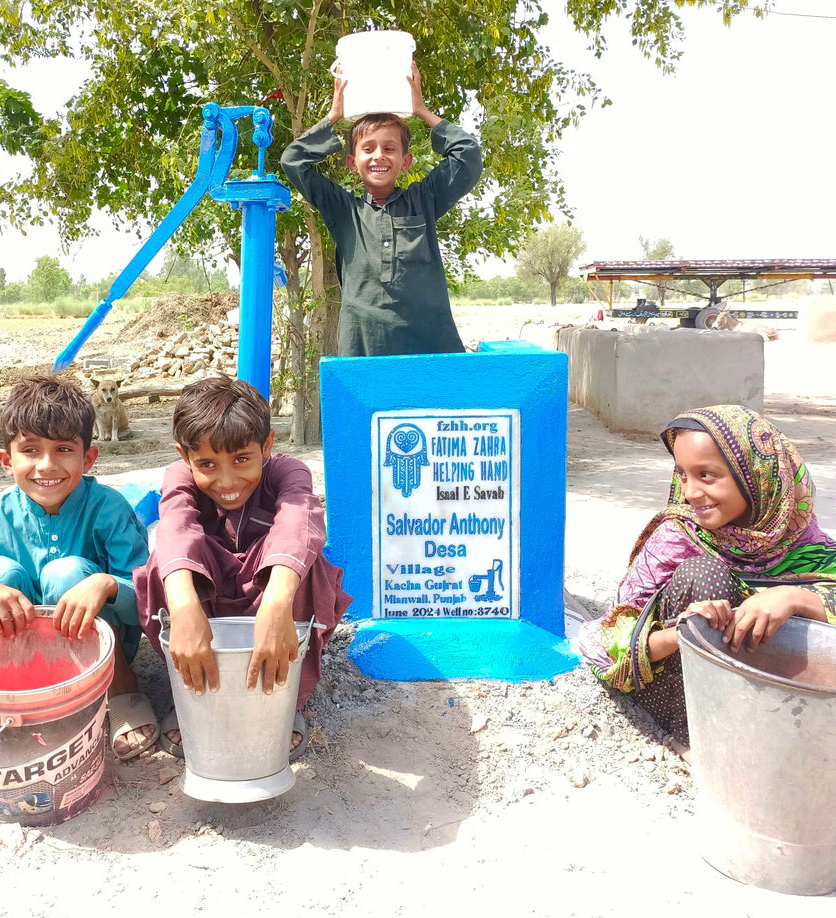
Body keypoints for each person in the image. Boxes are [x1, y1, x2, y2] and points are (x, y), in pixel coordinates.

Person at [579, 404, 836, 747]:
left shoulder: (803, 545)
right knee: (704, 575)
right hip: (682, 698)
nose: (690, 492)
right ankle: (696, 742)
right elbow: (602, 643)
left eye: (706, 475)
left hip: (775, 705)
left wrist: (793, 599)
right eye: (683, 475)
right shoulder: (677, 537)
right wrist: (685, 634)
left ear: (754, 477)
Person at [0, 375, 156, 758]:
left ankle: (119, 686)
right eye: (30, 450)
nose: (46, 465)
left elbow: (147, 597)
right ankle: (0, 690)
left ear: (88, 458)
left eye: (63, 449)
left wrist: (106, 584)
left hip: (102, 651)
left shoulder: (108, 508)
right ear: (7, 461)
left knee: (68, 573)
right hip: (18, 649)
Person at [135, 375, 351, 760]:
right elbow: (175, 527)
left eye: (241, 459)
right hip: (209, 602)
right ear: (185, 457)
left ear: (266, 446)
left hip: (271, 606)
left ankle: (284, 700)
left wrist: (276, 603)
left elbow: (299, 521)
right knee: (162, 567)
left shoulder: (288, 472)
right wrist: (184, 607)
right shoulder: (178, 477)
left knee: (306, 564)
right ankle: (190, 693)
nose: (227, 480)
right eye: (207, 464)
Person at [280, 62, 482, 357]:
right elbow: (292, 161)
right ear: (352, 162)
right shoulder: (344, 209)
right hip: (363, 350)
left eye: (390, 149)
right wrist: (334, 115)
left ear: (406, 161)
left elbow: (468, 155)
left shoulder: (424, 200)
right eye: (368, 148)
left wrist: (422, 111)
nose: (379, 156)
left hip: (428, 348)